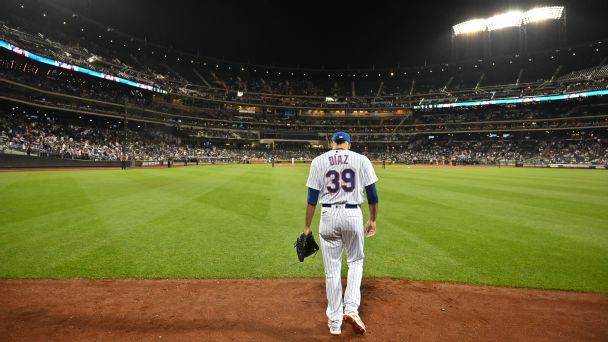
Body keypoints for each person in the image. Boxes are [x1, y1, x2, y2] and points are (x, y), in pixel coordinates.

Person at [303, 131, 379, 336]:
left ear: (332, 144)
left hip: (327, 215)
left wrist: (307, 227)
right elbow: (372, 194)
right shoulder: (361, 159)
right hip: (353, 214)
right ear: (349, 144)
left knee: (332, 270)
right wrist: (372, 220)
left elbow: (311, 199)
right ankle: (352, 309)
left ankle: (335, 322)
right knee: (355, 262)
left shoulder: (318, 161)